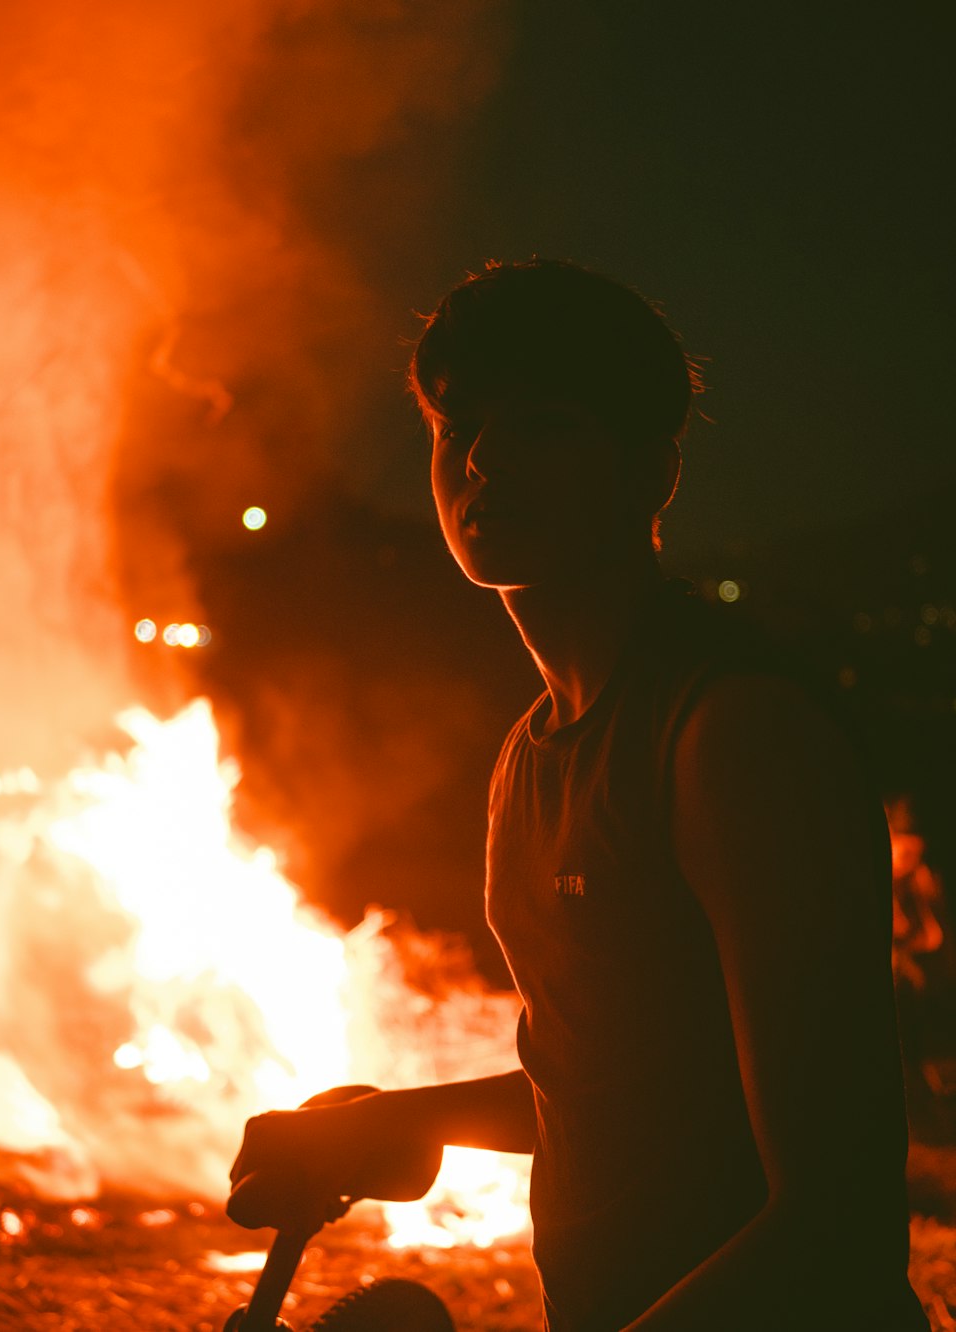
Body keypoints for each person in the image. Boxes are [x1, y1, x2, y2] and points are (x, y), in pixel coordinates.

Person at [228, 260, 929, 1331]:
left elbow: (834, 1218)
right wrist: (393, 1119)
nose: (481, 457)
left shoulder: (727, 734)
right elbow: (607, 1096)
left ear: (651, 475)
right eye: (454, 423)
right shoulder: (534, 750)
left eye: (541, 424)